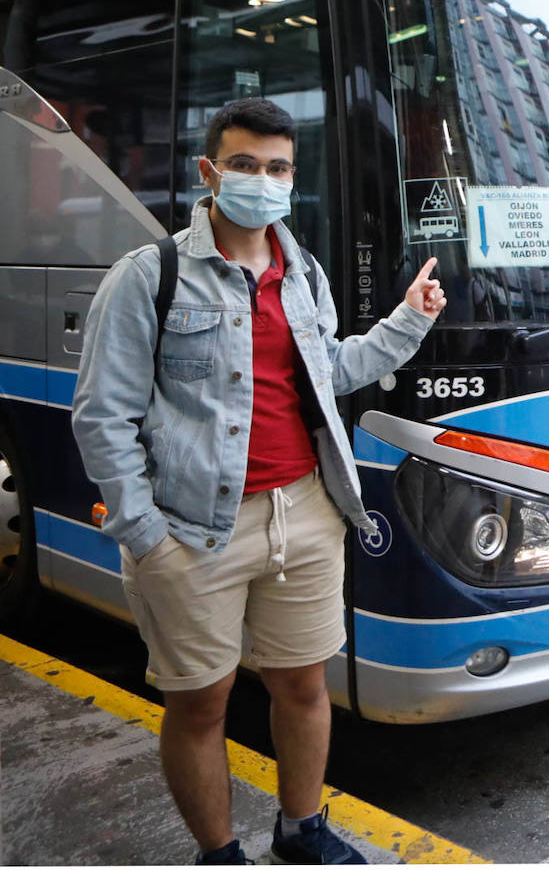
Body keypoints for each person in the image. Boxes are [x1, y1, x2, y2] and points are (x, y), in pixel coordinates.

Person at [71, 98, 446, 865]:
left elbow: (331, 370)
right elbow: (101, 417)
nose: (263, 181)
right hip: (195, 528)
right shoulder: (151, 276)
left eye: (278, 168)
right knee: (200, 704)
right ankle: (220, 851)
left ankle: (301, 829)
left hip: (306, 510)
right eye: (245, 165)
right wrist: (147, 537)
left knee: (304, 687)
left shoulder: (300, 269)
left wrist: (407, 321)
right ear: (209, 172)